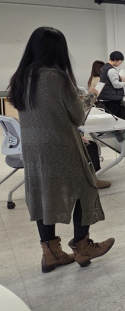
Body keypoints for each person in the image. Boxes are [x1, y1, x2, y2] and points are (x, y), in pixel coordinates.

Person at [8, 27, 115, 273]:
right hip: (60, 146)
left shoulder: (22, 76)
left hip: (33, 149)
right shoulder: (57, 77)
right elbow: (77, 116)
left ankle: (51, 253)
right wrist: (91, 96)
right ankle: (82, 246)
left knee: (43, 195)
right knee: (86, 189)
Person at [98, 51, 125, 118]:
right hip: (112, 98)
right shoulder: (111, 70)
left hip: (107, 96)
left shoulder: (104, 67)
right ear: (115, 60)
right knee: (114, 117)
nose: (121, 63)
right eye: (120, 61)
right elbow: (116, 85)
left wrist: (119, 78)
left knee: (109, 116)